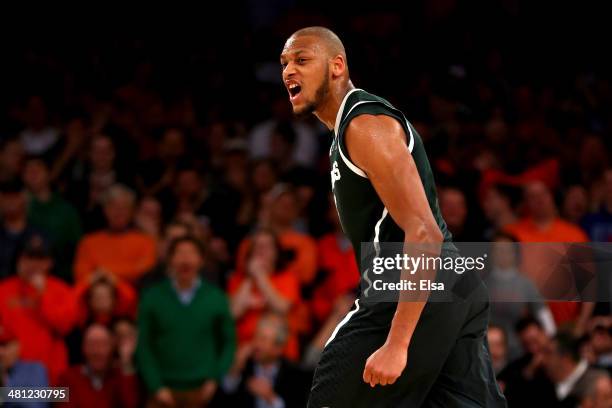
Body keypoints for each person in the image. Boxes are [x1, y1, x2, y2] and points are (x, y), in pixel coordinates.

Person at [279, 27, 505, 406]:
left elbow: (424, 232)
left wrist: (397, 344)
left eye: (302, 60)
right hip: (453, 284)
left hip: (410, 284)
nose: (289, 70)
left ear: (337, 66)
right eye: (285, 63)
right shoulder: (348, 131)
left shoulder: (365, 125)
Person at [136, 236, 236, 408]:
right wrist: (156, 385)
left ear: (201, 260)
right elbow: (144, 345)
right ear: (170, 260)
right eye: (180, 253)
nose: (185, 259)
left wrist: (215, 378)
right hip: (163, 389)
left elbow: (229, 342)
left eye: (191, 253)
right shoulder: (152, 297)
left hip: (202, 390)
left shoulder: (216, 297)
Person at [0, 233, 77, 384]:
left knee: (59, 397)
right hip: (11, 374)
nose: (34, 264)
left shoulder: (62, 290)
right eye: (29, 257)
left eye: (40, 259)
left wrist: (43, 295)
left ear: (50, 263)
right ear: (19, 259)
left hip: (53, 378)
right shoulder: (4, 289)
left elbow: (64, 326)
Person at [228, 229, 302, 360]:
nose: (261, 250)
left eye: (267, 246)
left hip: (279, 350)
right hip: (244, 349)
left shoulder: (287, 278)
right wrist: (250, 278)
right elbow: (233, 312)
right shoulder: (238, 279)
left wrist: (260, 275)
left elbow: (282, 308)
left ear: (276, 252)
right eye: (256, 246)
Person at [220, 313, 310, 407]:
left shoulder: (293, 374)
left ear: (278, 349)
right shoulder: (245, 363)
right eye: (256, 336)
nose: (256, 343)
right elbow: (226, 394)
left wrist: (270, 397)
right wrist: (236, 367)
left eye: (263, 339)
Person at [73, 184, 157, 284]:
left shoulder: (145, 241)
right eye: (114, 207)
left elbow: (144, 271)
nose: (119, 212)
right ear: (105, 210)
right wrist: (126, 271)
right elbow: (80, 275)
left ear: (132, 212)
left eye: (124, 207)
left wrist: (102, 271)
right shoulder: (88, 242)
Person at [23, 155, 82, 281]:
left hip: (60, 276)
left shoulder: (66, 210)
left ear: (49, 174)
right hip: (23, 276)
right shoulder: (17, 208)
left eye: (37, 170)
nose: (33, 175)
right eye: (28, 171)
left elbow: (77, 247)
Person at [58, 323, 139, 408]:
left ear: (112, 347)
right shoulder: (65, 378)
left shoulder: (121, 376)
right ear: (83, 348)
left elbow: (132, 404)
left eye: (103, 344)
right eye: (92, 344)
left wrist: (126, 363)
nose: (97, 351)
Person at [0, 178, 43, 278]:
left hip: (33, 289)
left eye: (15, 196)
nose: (10, 202)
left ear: (25, 199)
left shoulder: (39, 236)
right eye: (6, 197)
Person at [0, 319, 48, 408]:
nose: (1, 352)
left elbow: (37, 403)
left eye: (5, 345)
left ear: (17, 346)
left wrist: (5, 387)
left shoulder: (34, 370)